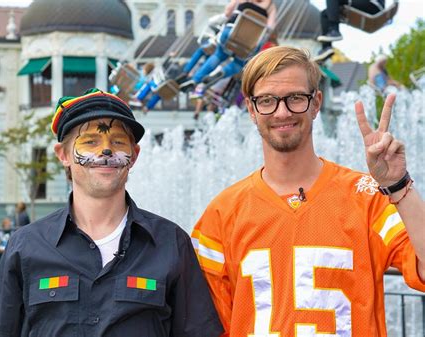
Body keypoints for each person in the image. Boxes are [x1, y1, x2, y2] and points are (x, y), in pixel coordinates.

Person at [192, 46, 424, 336]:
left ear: (316, 103)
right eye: (267, 100)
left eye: (295, 98)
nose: (282, 111)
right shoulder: (221, 213)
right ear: (251, 109)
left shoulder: (367, 196)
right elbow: (206, 326)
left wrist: (399, 184)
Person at [0, 88, 223, 337]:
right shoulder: (25, 247)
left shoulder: (172, 243)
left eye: (117, 142)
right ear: (63, 155)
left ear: (134, 156)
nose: (105, 151)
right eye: (90, 142)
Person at [180, 0, 276, 92]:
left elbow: (228, 12)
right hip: (251, 42)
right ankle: (223, 72)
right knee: (239, 63)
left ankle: (196, 79)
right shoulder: (270, 6)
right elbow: (270, 28)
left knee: (219, 55)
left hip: (231, 32)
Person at [316, 0, 385, 61]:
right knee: (325, 14)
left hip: (373, 4)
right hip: (364, 4)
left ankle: (334, 30)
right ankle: (326, 48)